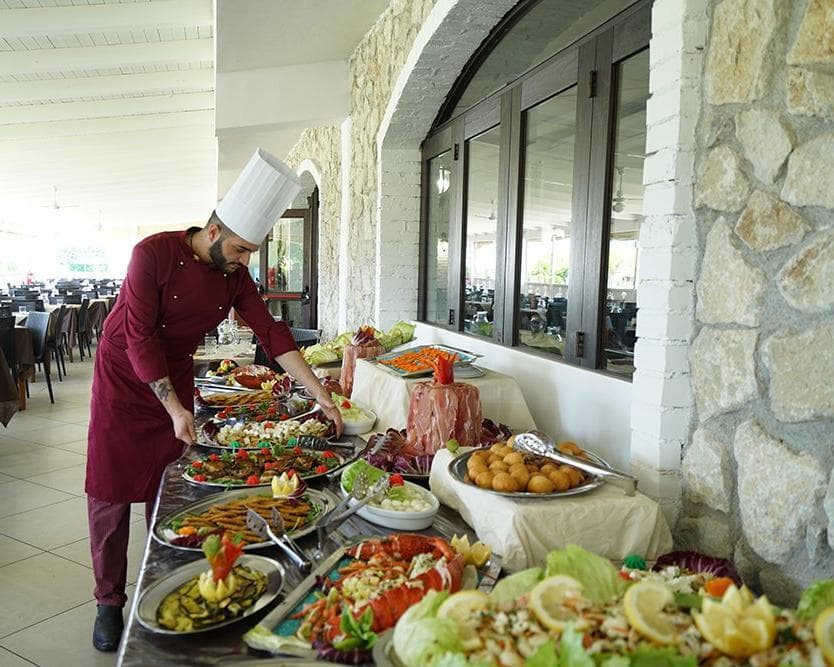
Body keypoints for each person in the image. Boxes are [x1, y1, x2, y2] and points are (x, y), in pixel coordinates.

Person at [84, 148, 342, 651]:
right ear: (215, 231)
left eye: (250, 253)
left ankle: (167, 570)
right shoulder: (152, 254)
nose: (246, 262)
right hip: (123, 378)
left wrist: (320, 395)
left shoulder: (234, 276)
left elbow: (272, 332)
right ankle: (108, 602)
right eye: (242, 250)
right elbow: (140, 337)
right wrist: (174, 408)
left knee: (167, 486)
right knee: (109, 494)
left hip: (176, 374)